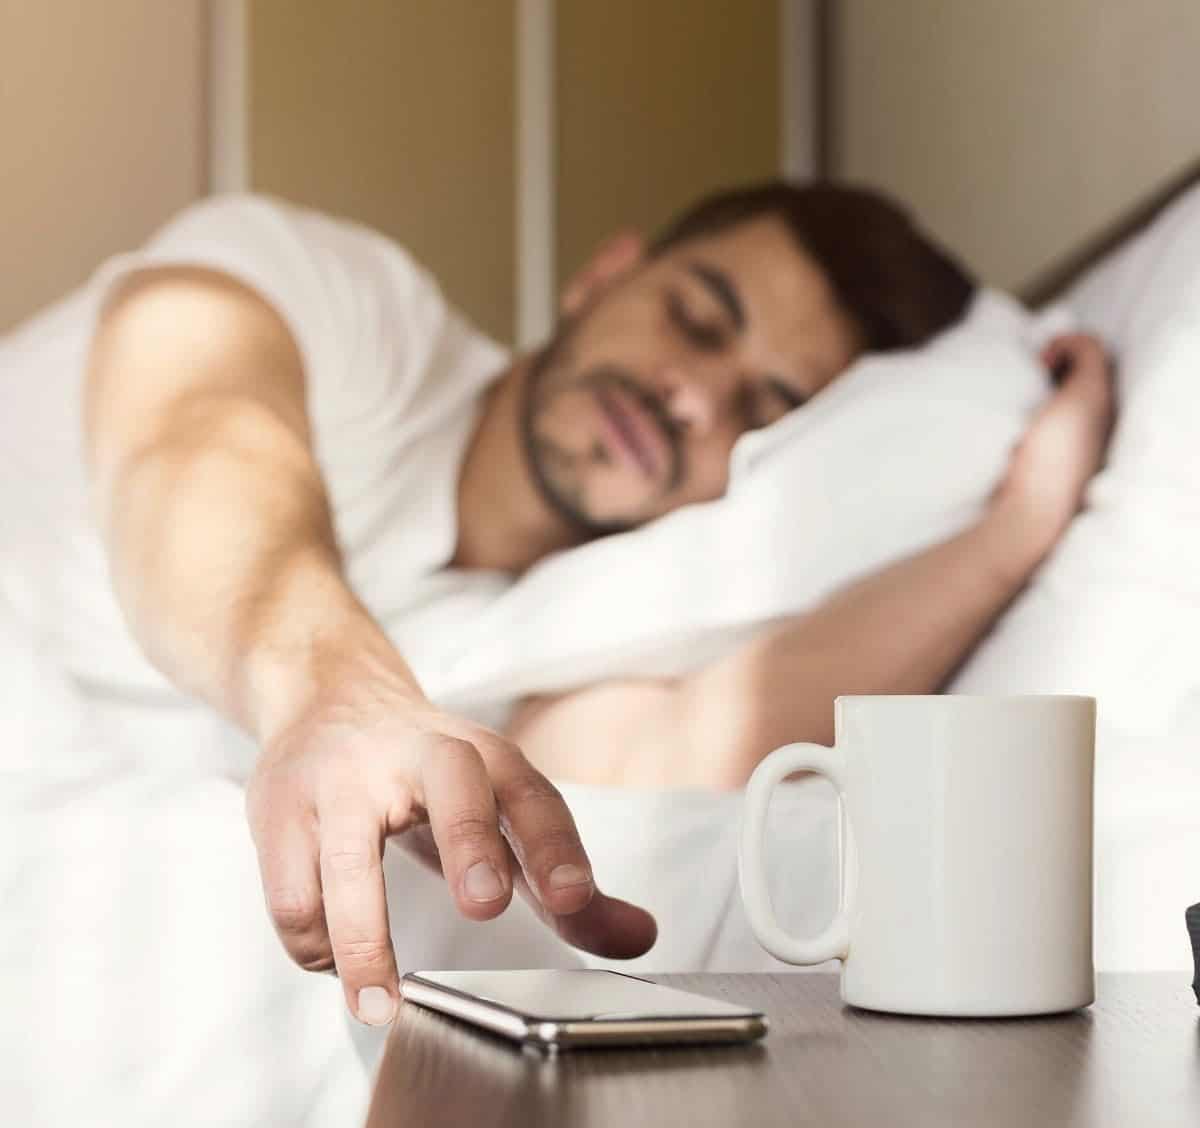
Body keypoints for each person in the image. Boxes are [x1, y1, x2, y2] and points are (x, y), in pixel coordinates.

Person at [11, 181, 1109, 1029]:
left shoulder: (538, 624)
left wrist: (1016, 528)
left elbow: (694, 743)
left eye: (758, 408)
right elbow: (192, 452)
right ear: (605, 274)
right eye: (694, 317)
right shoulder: (330, 292)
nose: (691, 395)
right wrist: (335, 696)